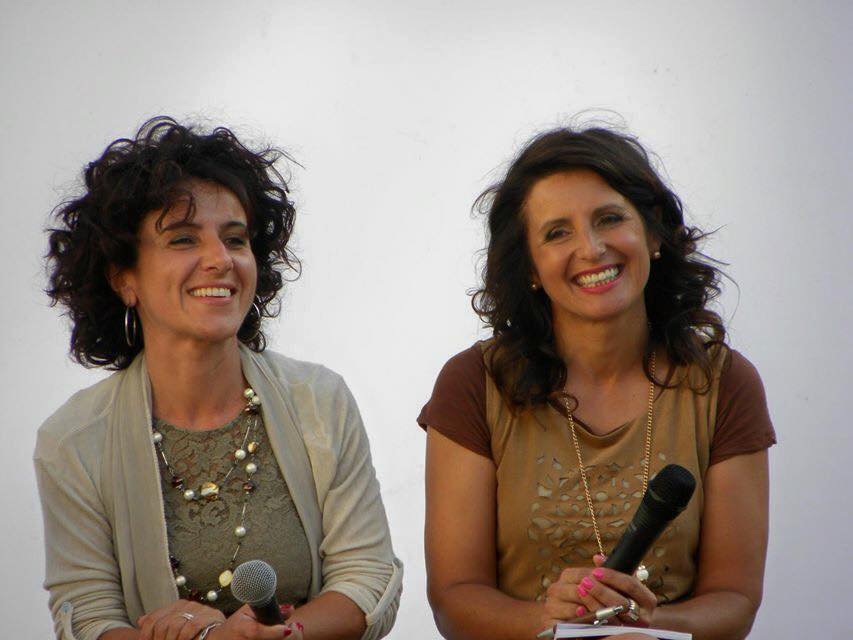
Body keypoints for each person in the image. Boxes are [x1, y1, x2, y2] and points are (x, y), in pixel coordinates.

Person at [36, 117, 402, 640]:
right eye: (184, 239)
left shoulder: (320, 402)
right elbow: (88, 619)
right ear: (124, 278)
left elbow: (369, 579)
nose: (219, 259)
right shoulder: (73, 441)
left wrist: (273, 636)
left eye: (235, 239)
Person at [418, 126, 775, 640]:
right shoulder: (474, 383)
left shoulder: (724, 382)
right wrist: (553, 623)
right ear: (531, 267)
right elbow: (455, 599)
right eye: (557, 233)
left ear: (653, 235)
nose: (591, 248)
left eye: (610, 219)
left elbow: (735, 600)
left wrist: (645, 627)